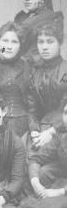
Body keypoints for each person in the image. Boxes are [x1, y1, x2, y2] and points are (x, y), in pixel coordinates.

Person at [23, 100, 67, 208]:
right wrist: (35, 181)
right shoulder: (62, 136)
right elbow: (36, 158)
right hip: (61, 184)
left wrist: (59, 192)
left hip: (63, 190)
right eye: (66, 113)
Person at [27, 21, 67, 150]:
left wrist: (50, 132)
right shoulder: (35, 72)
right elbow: (32, 109)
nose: (44, 47)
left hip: (62, 129)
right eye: (40, 42)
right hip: (40, 129)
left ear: (59, 43)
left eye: (50, 42)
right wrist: (34, 131)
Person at [13, 0, 64, 67]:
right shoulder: (22, 19)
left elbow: (46, 55)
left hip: (39, 73)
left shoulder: (53, 18)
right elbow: (6, 44)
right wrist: (1, 53)